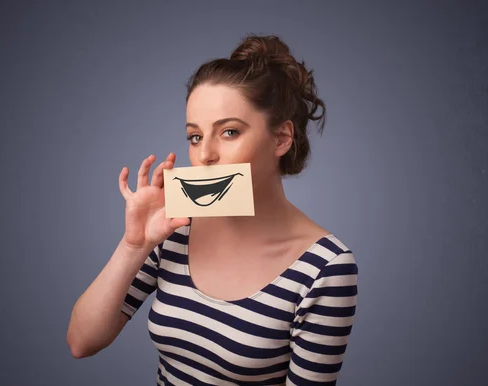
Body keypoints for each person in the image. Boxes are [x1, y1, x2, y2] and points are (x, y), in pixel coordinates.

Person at [67, 34, 358, 385]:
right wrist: (134, 246)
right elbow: (82, 342)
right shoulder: (175, 228)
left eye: (229, 132)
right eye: (195, 136)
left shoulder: (325, 267)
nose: (205, 155)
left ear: (281, 139)